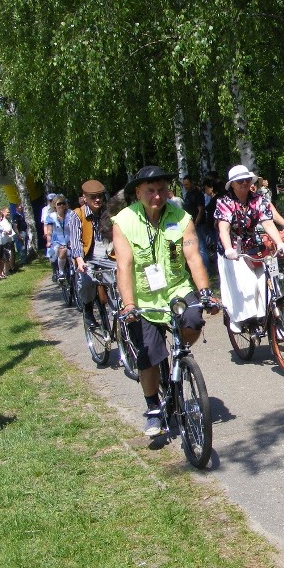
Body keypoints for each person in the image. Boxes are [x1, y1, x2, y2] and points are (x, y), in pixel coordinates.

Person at [112, 165, 219, 437]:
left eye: (161, 190)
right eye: (150, 191)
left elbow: (194, 258)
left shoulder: (181, 218)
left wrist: (205, 291)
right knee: (148, 355)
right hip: (143, 297)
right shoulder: (125, 221)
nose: (157, 196)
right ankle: (153, 409)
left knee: (194, 320)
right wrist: (128, 305)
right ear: (138, 192)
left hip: (176, 289)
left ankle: (178, 355)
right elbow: (123, 266)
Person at [214, 165, 284, 333]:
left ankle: (273, 322)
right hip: (233, 250)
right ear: (232, 184)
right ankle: (238, 318)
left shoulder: (258, 199)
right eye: (240, 181)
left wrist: (280, 243)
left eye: (247, 180)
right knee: (246, 285)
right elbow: (224, 229)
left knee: (268, 283)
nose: (245, 183)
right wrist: (228, 249)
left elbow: (268, 223)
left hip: (253, 246)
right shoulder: (225, 203)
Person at [68, 179, 113, 327]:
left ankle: (120, 316)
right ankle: (87, 308)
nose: (97, 199)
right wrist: (80, 260)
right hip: (88, 257)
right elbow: (75, 242)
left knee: (120, 277)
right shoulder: (77, 215)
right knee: (86, 281)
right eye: (93, 197)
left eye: (100, 196)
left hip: (107, 255)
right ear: (85, 197)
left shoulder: (107, 213)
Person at [181, 175, 210, 270]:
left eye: (187, 184)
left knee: (202, 248)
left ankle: (206, 270)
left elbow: (200, 210)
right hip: (190, 224)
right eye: (184, 185)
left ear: (192, 183)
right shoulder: (188, 194)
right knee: (195, 248)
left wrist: (196, 223)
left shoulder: (197, 194)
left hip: (198, 224)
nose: (186, 186)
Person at [45, 195, 72, 281]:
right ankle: (61, 272)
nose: (61, 206)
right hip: (57, 240)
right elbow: (49, 231)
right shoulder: (51, 217)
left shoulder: (71, 214)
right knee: (62, 251)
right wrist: (48, 241)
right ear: (54, 205)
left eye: (63, 203)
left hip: (69, 239)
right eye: (59, 204)